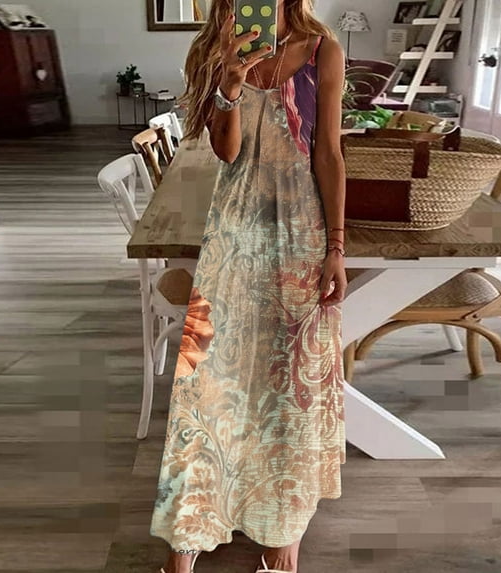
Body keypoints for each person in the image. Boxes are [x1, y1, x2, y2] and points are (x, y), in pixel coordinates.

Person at [150, 1, 347, 572]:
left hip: (301, 233)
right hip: (232, 234)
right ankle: (188, 529)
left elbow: (329, 154)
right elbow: (228, 152)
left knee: (291, 385)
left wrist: (336, 247)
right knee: (204, 381)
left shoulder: (322, 51)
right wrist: (230, 86)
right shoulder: (218, 51)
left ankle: (282, 536)